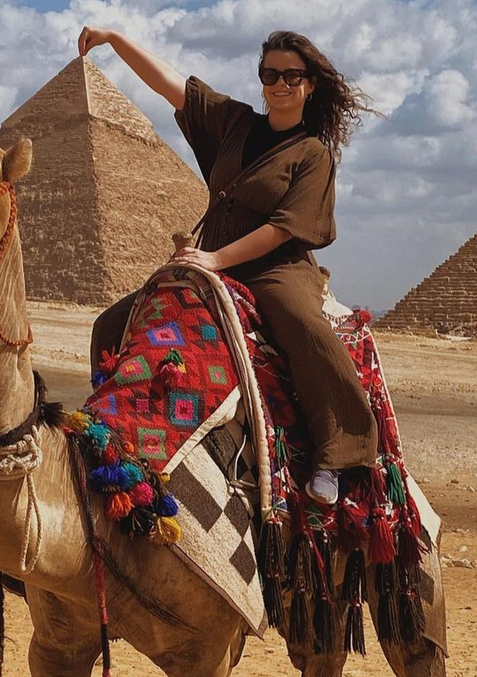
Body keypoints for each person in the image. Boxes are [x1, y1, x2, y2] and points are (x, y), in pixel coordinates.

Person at [79, 27, 379, 505]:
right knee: (113, 323)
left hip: (274, 268)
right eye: (270, 74)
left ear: (311, 84)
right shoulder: (235, 122)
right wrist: (115, 40)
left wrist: (217, 259)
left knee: (304, 326)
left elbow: (284, 227)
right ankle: (108, 425)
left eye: (292, 75)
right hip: (209, 260)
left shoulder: (312, 154)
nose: (280, 84)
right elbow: (171, 85)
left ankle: (339, 452)